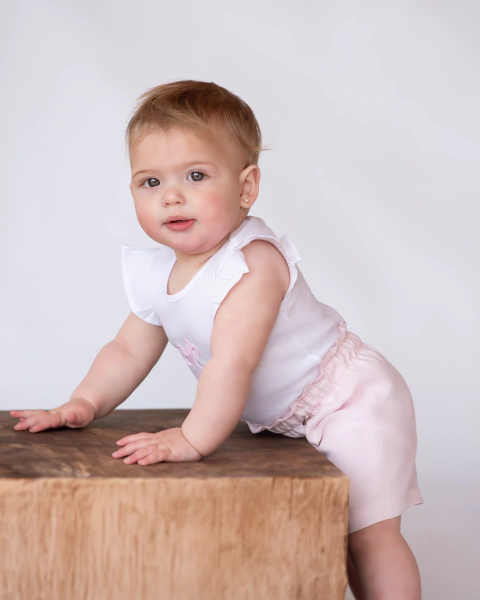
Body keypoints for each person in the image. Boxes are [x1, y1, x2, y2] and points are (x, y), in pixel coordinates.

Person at [10, 80, 423, 599]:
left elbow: (232, 363)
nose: (171, 196)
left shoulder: (253, 263)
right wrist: (83, 403)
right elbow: (128, 350)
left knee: (367, 533)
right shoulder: (156, 273)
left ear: (246, 188)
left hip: (350, 400)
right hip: (288, 418)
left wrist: (191, 438)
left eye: (196, 175)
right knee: (329, 528)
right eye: (150, 181)